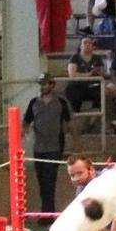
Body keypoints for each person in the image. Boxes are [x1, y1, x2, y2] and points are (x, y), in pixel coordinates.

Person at [23, 73, 71, 217]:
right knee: (42, 182)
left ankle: (48, 213)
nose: (43, 87)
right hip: (39, 148)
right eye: (41, 84)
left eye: (45, 84)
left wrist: (73, 145)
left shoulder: (60, 102)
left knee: (50, 181)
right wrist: (24, 135)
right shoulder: (34, 103)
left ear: (52, 84)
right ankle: (46, 212)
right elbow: (26, 122)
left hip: (55, 147)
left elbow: (68, 124)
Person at [65, 37, 105, 127]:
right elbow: (72, 74)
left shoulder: (97, 58)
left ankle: (91, 122)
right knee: (72, 91)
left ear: (93, 46)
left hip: (93, 86)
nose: (87, 45)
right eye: (85, 43)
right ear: (80, 46)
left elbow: (101, 73)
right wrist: (89, 74)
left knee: (101, 92)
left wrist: (96, 73)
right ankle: (75, 119)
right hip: (77, 86)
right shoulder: (75, 57)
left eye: (90, 43)